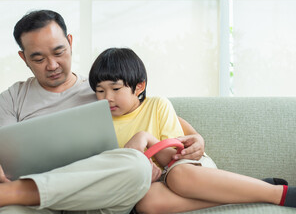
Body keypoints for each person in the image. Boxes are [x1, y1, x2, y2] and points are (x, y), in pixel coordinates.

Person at [0, 10, 154, 214]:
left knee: (138, 166)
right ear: (24, 58)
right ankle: (15, 193)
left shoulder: (101, 89)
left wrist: (194, 138)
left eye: (59, 53)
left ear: (70, 42)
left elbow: (151, 112)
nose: (52, 65)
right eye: (39, 59)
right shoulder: (11, 98)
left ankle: (8, 194)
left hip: (93, 199)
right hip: (35, 206)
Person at [88, 47, 296, 214]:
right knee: (146, 203)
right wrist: (140, 170)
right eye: (100, 90)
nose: (107, 97)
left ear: (139, 86)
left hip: (188, 169)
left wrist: (145, 139)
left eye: (115, 89)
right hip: (157, 184)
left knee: (178, 176)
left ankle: (277, 193)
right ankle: (250, 189)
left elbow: (176, 156)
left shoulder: (157, 105)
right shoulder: (98, 122)